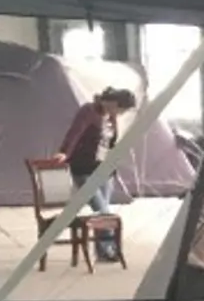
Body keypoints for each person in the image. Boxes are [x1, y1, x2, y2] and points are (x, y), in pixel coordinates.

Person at [49, 87, 138, 218]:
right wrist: (64, 152)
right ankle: (106, 233)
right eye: (121, 110)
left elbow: (109, 142)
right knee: (102, 211)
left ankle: (103, 233)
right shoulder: (89, 111)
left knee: (104, 211)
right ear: (114, 103)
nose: (120, 114)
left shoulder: (111, 117)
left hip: (104, 171)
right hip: (84, 168)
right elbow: (75, 132)